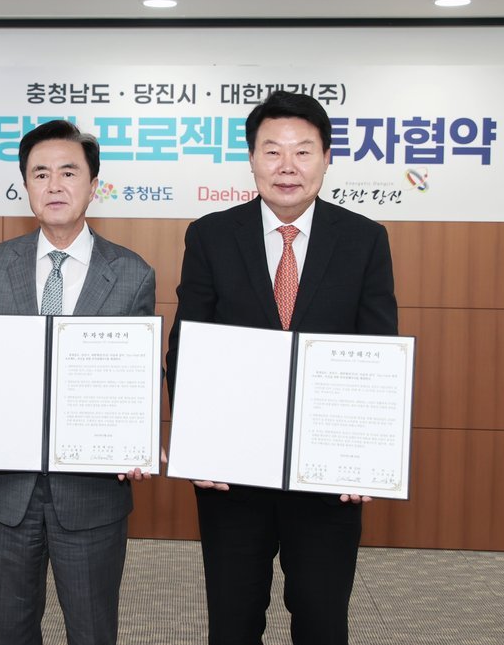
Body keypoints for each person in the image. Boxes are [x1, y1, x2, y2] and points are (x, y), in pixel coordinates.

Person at [165, 90, 399, 645]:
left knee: (322, 621)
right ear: (252, 159)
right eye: (272, 151)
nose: (287, 166)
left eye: (302, 151)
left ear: (326, 158)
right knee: (233, 622)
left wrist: (365, 457)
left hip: (327, 473)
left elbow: (378, 351)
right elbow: (188, 346)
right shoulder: (211, 235)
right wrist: (200, 445)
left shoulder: (364, 239)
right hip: (232, 472)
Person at [0, 119, 155, 645]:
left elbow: (138, 378)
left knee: (92, 632)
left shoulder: (132, 273)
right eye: (40, 174)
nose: (54, 185)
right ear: (26, 185)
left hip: (92, 493)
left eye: (69, 173)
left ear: (93, 185)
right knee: (10, 631)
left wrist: (138, 439)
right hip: (12, 492)